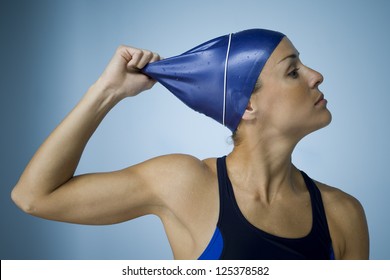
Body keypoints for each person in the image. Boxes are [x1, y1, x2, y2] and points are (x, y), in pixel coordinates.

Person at [11, 29, 369, 260]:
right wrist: (107, 92)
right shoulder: (185, 185)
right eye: (293, 71)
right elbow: (33, 197)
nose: (316, 75)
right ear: (247, 104)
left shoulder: (343, 215)